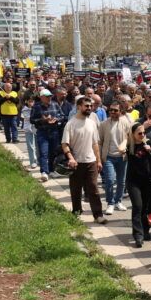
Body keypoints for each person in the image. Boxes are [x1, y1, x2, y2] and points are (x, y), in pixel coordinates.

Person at [60, 96, 106, 224]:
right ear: (79, 107)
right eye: (87, 106)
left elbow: (95, 143)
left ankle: (98, 215)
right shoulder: (71, 124)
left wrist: (98, 160)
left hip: (90, 161)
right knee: (76, 189)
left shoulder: (91, 123)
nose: (89, 108)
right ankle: (76, 212)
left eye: (91, 106)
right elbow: (64, 144)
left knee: (94, 189)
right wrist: (71, 158)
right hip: (76, 162)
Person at [126, 122, 151, 248]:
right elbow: (122, 148)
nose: (142, 135)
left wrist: (150, 150)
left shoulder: (148, 144)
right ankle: (138, 235)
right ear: (133, 134)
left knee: (145, 207)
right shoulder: (129, 145)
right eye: (139, 133)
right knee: (137, 206)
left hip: (147, 181)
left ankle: (145, 230)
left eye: (144, 133)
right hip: (133, 181)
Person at [98, 102, 130, 215]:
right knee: (110, 180)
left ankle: (118, 201)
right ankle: (110, 203)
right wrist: (100, 158)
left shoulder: (126, 122)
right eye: (111, 110)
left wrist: (127, 149)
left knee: (121, 181)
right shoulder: (103, 124)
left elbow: (130, 138)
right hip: (108, 157)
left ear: (120, 111)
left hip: (122, 157)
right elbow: (100, 141)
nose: (112, 112)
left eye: (115, 110)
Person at [30, 88, 64, 182]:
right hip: (42, 132)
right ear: (41, 97)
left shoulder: (55, 104)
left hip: (54, 131)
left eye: (50, 96)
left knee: (53, 152)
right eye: (47, 96)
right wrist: (43, 120)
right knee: (43, 152)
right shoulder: (36, 107)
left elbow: (62, 116)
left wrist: (56, 119)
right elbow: (32, 120)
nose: (49, 98)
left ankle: (51, 169)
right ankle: (44, 172)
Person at [20, 96, 39, 170]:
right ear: (26, 101)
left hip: (37, 128)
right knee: (31, 146)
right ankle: (33, 162)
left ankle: (38, 160)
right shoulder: (25, 109)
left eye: (33, 101)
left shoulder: (37, 108)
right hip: (28, 129)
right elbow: (28, 118)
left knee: (38, 145)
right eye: (30, 101)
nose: (31, 103)